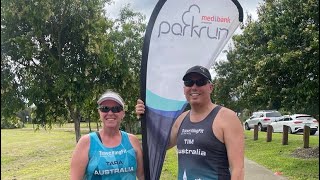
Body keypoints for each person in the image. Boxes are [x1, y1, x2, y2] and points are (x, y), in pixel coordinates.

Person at [135, 65, 244, 180]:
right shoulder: (181, 119)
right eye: (189, 82)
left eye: (200, 82)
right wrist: (147, 117)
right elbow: (162, 144)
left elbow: (238, 169)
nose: (194, 87)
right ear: (184, 89)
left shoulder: (227, 118)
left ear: (211, 87)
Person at [71, 90, 144, 180]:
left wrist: (148, 117)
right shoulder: (87, 142)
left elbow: (143, 176)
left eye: (116, 109)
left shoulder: (132, 141)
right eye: (105, 108)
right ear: (99, 113)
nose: (110, 113)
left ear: (123, 113)